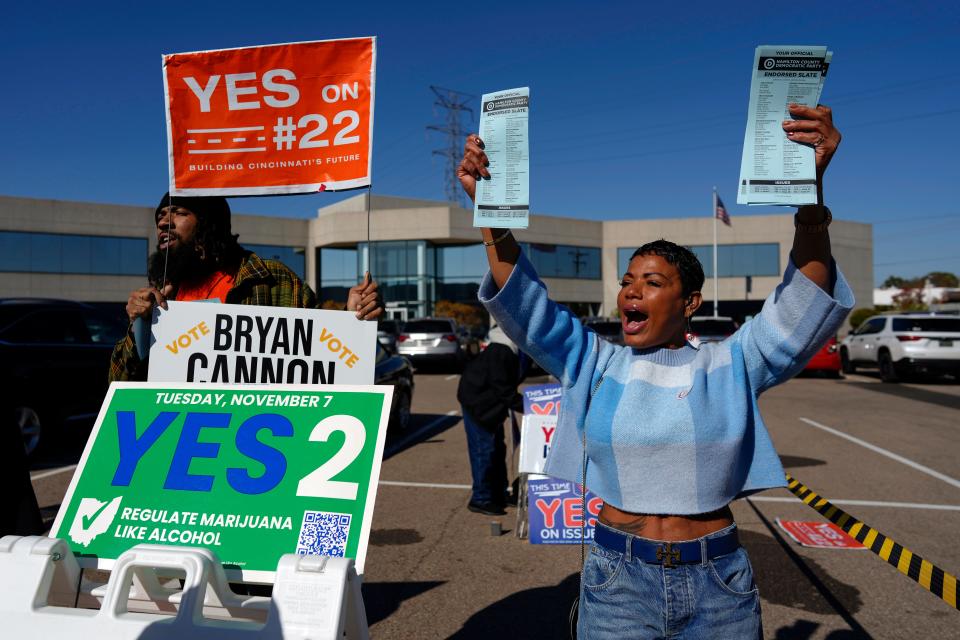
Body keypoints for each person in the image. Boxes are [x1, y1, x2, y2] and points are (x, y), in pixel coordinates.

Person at [457, 104, 851, 638]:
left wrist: (809, 195)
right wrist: (492, 216)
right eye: (626, 281)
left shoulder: (732, 362)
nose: (630, 292)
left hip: (720, 585)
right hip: (616, 583)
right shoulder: (594, 361)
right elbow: (526, 304)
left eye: (651, 282)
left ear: (690, 302)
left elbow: (803, 301)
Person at [109, 193, 382, 381]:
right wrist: (139, 326)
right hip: (185, 443)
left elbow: (319, 357)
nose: (163, 222)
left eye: (179, 212)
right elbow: (119, 382)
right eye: (161, 215)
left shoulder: (268, 278)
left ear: (209, 223)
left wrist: (351, 319)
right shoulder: (163, 292)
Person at [456, 323, 527, 515]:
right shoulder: (501, 350)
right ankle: (481, 498)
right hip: (478, 403)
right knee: (484, 450)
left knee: (497, 449)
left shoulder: (512, 349)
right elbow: (502, 388)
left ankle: (498, 493)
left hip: (490, 404)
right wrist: (530, 406)